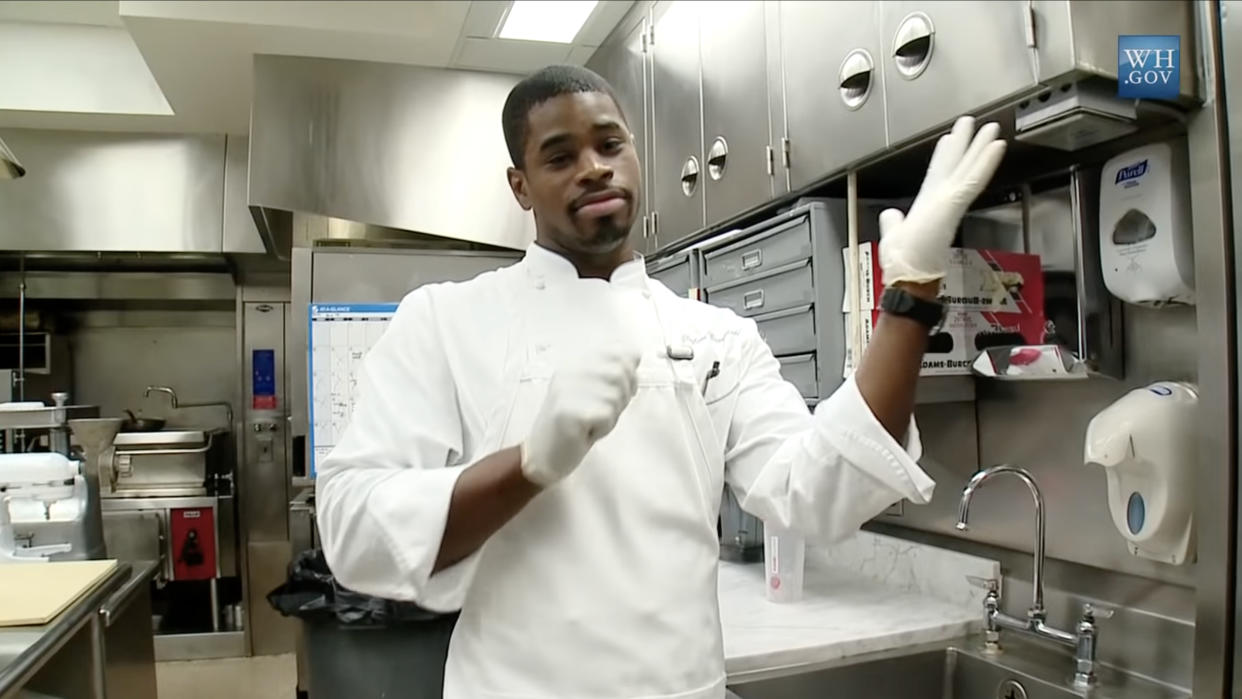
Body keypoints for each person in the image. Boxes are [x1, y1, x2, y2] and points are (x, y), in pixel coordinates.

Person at [316, 64, 1006, 699]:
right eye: (560, 156)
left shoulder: (715, 337)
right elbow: (353, 526)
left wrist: (910, 294)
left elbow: (824, 492)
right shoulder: (444, 320)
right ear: (519, 185)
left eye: (610, 144)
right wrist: (527, 466)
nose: (593, 168)